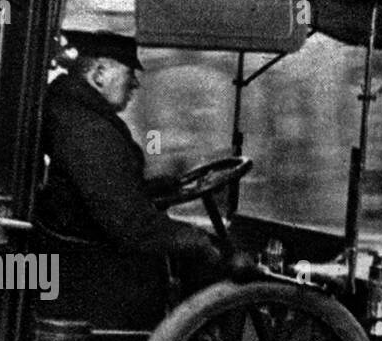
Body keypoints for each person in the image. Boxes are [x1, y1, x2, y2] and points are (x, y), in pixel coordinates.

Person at [35, 29, 250, 288]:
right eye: (130, 72)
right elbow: (130, 225)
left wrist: (166, 186)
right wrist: (196, 240)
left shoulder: (79, 117)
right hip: (94, 268)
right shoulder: (89, 130)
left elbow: (111, 192)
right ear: (100, 74)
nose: (135, 83)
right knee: (209, 254)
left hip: (87, 250)